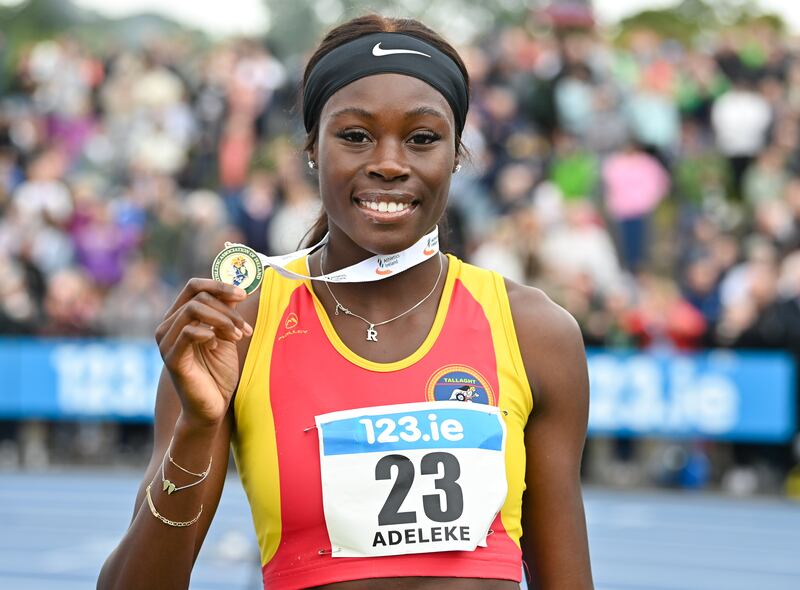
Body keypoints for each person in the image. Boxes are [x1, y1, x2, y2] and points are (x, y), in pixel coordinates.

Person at [97, 15, 593, 590]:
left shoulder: (533, 332)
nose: (388, 162)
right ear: (312, 147)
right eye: (355, 135)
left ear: (457, 154)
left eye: (423, 138)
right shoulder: (236, 329)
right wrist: (197, 425)